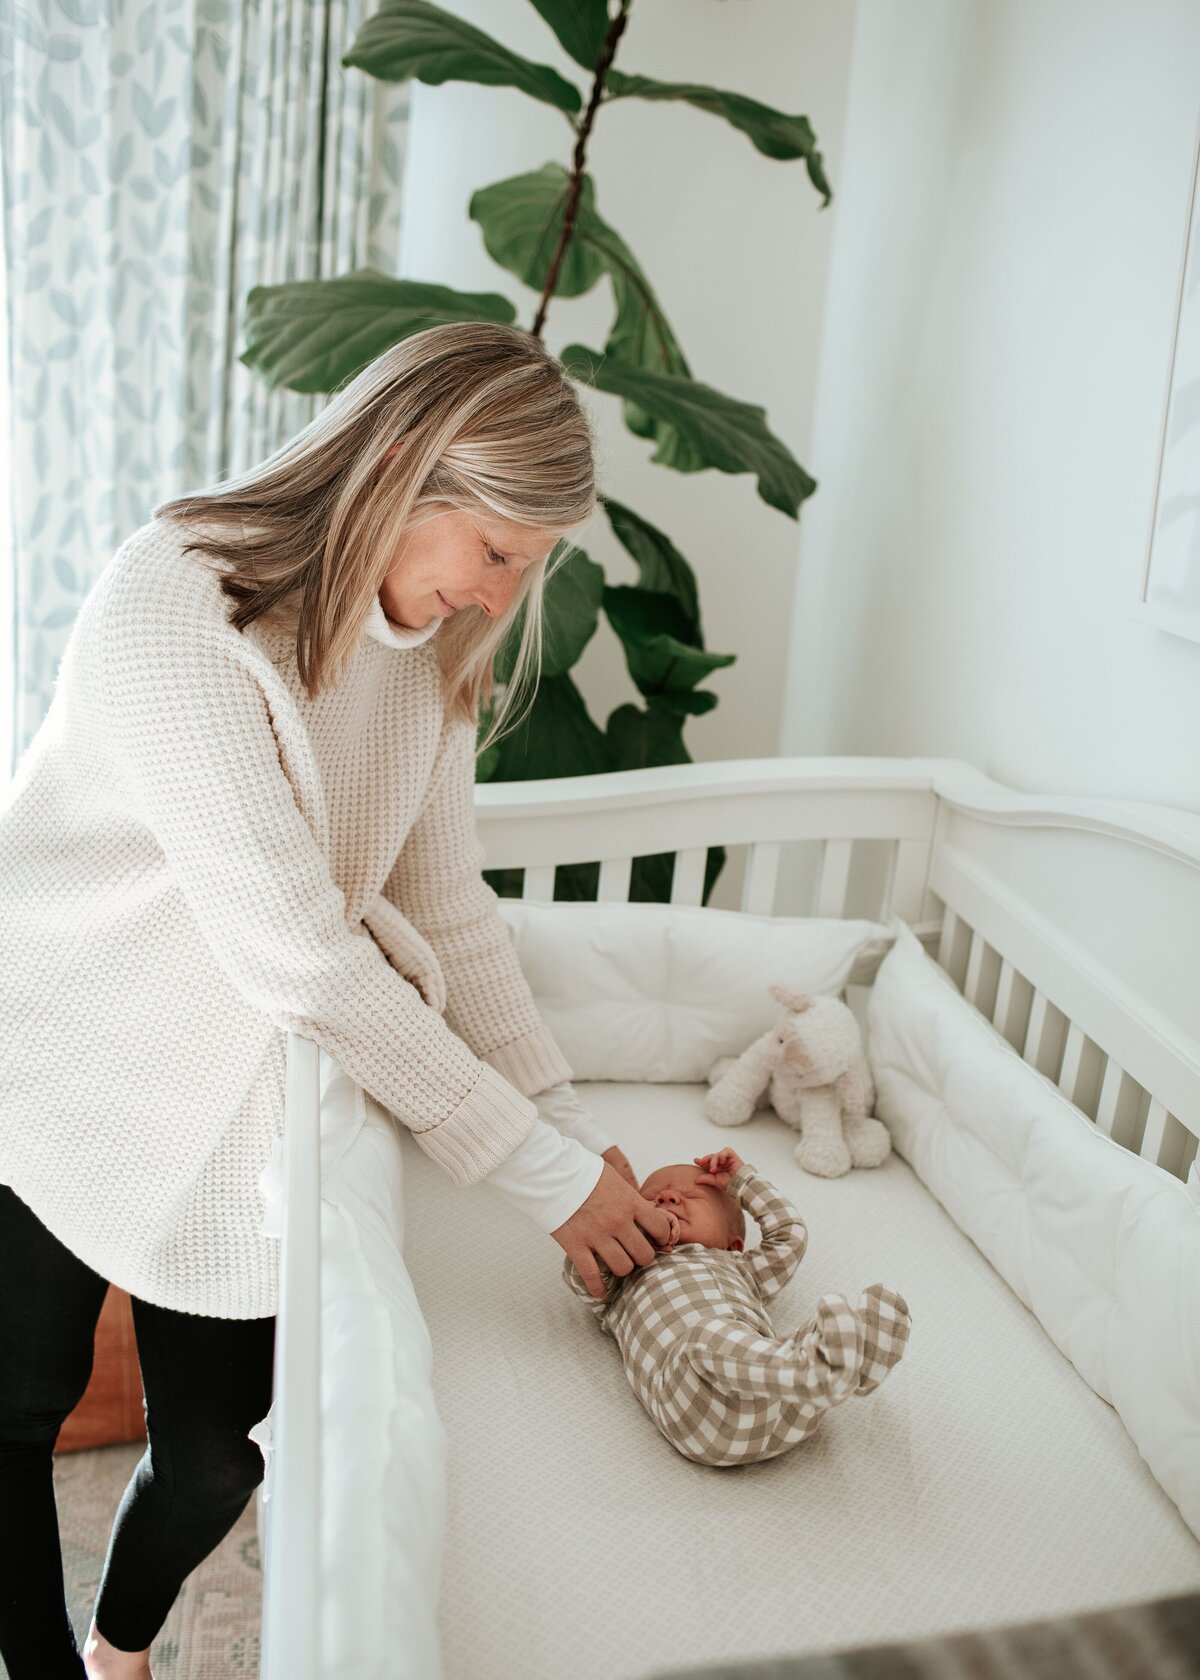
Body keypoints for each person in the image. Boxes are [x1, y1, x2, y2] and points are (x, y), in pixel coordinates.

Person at [0, 321, 672, 1680]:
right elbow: (302, 954)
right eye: (495, 553)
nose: (498, 598)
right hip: (65, 1048)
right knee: (15, 1411)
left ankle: (118, 1642)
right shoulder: (176, 605)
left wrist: (562, 1121)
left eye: (525, 572)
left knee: (212, 1458)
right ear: (405, 472)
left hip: (248, 1084)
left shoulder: (424, 664)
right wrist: (536, 1174)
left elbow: (448, 914)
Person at [562, 1148, 912, 1466]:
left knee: (857, 1316)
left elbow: (790, 1234)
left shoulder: (742, 1268)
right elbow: (581, 1272)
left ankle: (844, 1361)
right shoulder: (624, 1275)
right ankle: (813, 1368)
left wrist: (743, 1181)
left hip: (775, 1402)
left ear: (734, 1244)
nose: (667, 1197)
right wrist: (616, 1228)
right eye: (650, 1200)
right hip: (693, 1410)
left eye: (690, 1196)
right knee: (707, 1337)